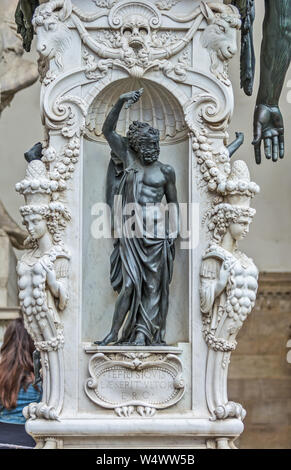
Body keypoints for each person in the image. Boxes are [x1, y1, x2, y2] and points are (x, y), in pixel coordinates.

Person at [95, 89, 179, 346]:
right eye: (147, 146)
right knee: (130, 285)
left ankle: (143, 334)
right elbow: (107, 131)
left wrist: (173, 231)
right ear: (137, 147)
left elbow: (174, 204)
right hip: (131, 232)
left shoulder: (166, 171)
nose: (152, 150)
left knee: (153, 287)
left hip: (156, 235)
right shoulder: (128, 158)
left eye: (155, 146)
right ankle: (114, 332)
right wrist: (120, 101)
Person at [0, 318, 42, 448]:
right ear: (32, 343)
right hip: (28, 440)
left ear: (7, 341)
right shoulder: (40, 378)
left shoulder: (2, 376)